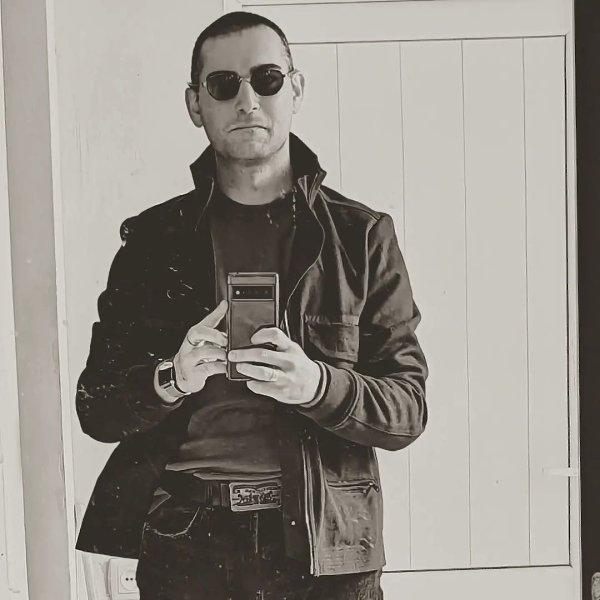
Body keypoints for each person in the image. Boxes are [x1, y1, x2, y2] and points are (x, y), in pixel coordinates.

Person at [75, 11, 428, 600]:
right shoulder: (152, 242)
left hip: (325, 545)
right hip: (187, 542)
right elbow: (96, 407)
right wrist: (172, 378)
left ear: (296, 89)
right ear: (195, 103)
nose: (247, 101)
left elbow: (408, 407)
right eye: (222, 84)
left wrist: (317, 385)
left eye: (267, 79)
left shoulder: (361, 236)